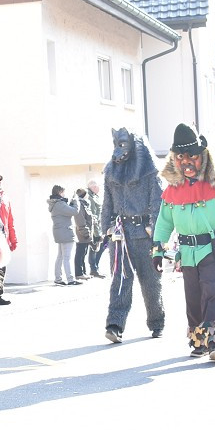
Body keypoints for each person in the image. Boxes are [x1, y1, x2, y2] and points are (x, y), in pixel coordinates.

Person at [153, 124, 215, 360]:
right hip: (187, 251)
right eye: (181, 157)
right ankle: (198, 341)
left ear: (203, 157)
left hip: (212, 248)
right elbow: (163, 223)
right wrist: (157, 251)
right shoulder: (172, 191)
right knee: (192, 297)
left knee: (212, 291)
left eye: (192, 156)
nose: (187, 162)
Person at [101, 128, 165, 343]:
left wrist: (156, 232)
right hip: (121, 236)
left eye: (122, 144)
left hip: (144, 235)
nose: (118, 151)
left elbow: (158, 204)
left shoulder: (150, 172)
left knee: (150, 282)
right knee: (120, 281)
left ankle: (157, 322)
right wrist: (106, 228)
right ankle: (115, 325)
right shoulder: (111, 171)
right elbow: (107, 203)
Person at [48, 185, 80, 285]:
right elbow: (74, 211)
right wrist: (76, 201)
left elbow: (67, 211)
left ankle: (58, 279)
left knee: (60, 256)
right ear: (59, 192)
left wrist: (70, 203)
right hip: (65, 232)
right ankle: (70, 279)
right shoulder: (59, 203)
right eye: (63, 192)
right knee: (66, 257)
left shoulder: (55, 203)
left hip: (59, 232)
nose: (64, 194)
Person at [0, 172, 17, 303]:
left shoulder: (5, 197)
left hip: (4, 237)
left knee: (2, 267)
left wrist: (13, 239)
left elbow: (10, 220)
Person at [86, 179, 105, 278]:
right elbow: (93, 215)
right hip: (94, 228)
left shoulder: (94, 196)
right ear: (92, 187)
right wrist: (97, 229)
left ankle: (95, 268)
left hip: (98, 227)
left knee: (99, 248)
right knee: (94, 249)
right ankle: (93, 269)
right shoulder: (90, 197)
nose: (98, 188)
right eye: (97, 186)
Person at [72, 187, 93, 280]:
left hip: (86, 233)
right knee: (80, 253)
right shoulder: (80, 204)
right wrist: (86, 233)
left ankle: (83, 272)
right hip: (82, 234)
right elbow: (80, 221)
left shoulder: (84, 204)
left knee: (83, 253)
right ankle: (79, 273)